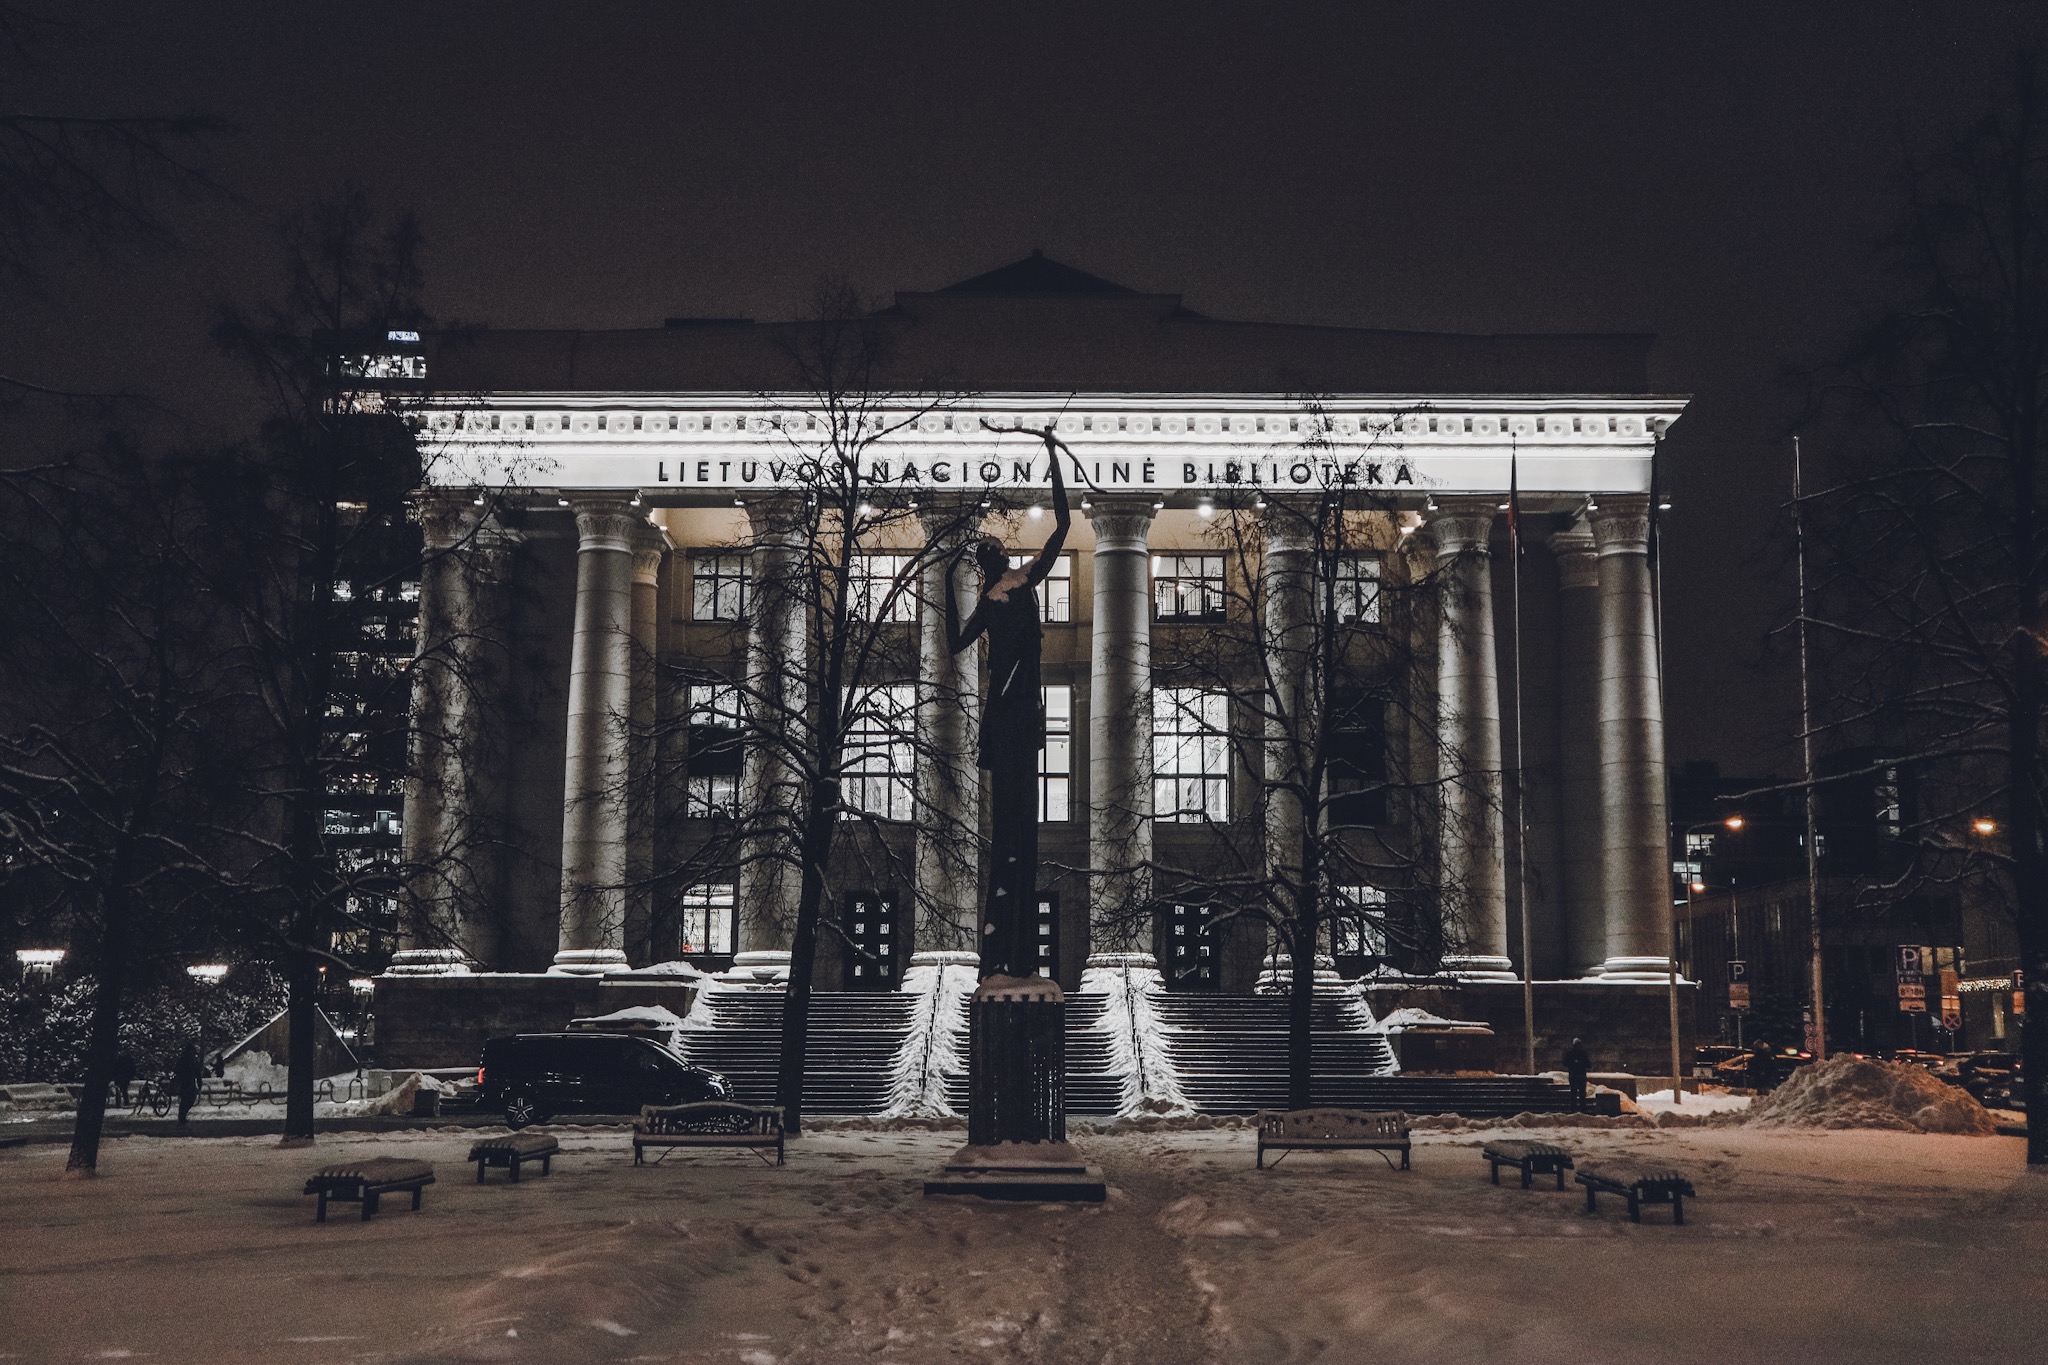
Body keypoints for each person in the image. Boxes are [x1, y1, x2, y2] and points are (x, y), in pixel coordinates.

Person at [945, 435, 1071, 980]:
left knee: (1019, 824)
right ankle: (1003, 950)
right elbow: (954, 644)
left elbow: (1063, 527)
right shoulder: (990, 600)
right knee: (1007, 828)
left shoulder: (1024, 581)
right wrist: (947, 586)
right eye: (984, 558)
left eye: (991, 555)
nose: (992, 561)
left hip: (1022, 704)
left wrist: (1053, 457)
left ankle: (1014, 949)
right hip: (1004, 705)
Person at [172, 1043, 204, 1125]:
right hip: (187, 1082)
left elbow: (176, 1069)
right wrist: (200, 1084)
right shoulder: (191, 1060)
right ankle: (182, 1117)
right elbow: (198, 1073)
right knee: (188, 1100)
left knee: (186, 1100)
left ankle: (182, 1117)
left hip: (186, 1082)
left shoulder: (185, 1060)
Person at [1562, 1037, 1591, 1109]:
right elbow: (1565, 1063)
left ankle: (1581, 1108)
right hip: (1575, 1075)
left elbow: (1588, 1064)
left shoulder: (1581, 1053)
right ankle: (1575, 1108)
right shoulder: (1572, 1053)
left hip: (1578, 1075)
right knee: (1575, 1093)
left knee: (1581, 1093)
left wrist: (1579, 1064)